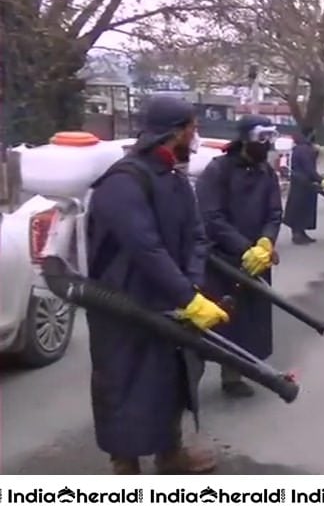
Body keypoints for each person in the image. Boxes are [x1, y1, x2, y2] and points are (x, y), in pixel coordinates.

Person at [86, 96, 228, 474]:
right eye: (192, 128)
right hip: (124, 307)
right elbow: (144, 247)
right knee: (124, 384)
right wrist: (185, 295)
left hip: (172, 302)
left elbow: (198, 238)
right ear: (175, 131)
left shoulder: (176, 179)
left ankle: (171, 453)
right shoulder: (123, 182)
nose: (195, 136)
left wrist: (192, 290)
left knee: (171, 381)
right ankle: (124, 462)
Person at [196, 114, 283, 398]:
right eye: (262, 137)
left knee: (250, 319)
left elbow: (274, 212)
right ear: (246, 137)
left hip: (258, 258)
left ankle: (235, 373)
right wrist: (242, 248)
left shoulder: (266, 172)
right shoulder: (218, 170)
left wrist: (265, 242)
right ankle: (189, 380)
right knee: (219, 317)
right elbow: (211, 216)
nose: (267, 144)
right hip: (222, 258)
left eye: (271, 137)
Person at [284, 127, 324, 244]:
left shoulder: (301, 147)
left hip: (301, 182)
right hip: (303, 183)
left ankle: (301, 232)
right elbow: (309, 167)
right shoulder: (304, 149)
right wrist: (320, 179)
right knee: (301, 208)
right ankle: (297, 234)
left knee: (302, 208)